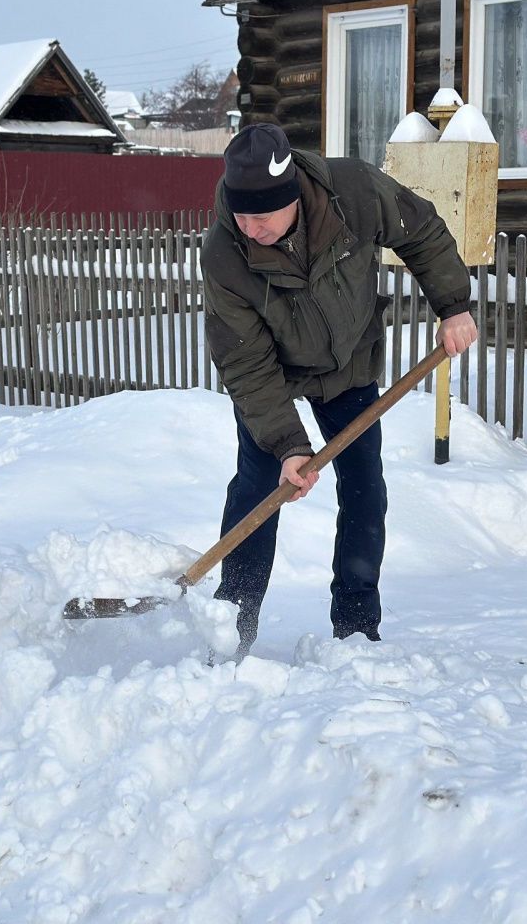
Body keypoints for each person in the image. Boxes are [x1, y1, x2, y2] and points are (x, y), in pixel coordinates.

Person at [201, 122, 478, 659]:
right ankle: (230, 623)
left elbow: (420, 230)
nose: (249, 228)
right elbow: (245, 363)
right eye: (240, 215)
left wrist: (453, 305)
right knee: (258, 492)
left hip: (349, 367)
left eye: (261, 217)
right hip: (274, 377)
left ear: (293, 201)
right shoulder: (224, 255)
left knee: (364, 490)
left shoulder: (354, 193)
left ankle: (356, 627)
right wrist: (289, 446)